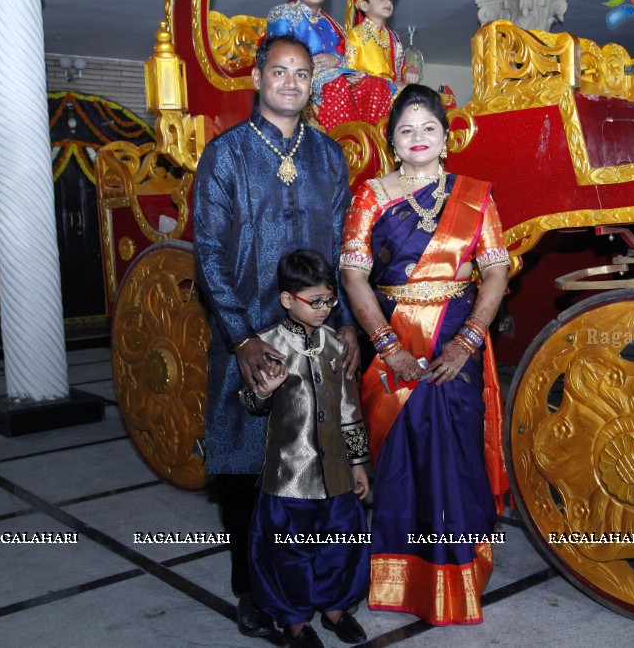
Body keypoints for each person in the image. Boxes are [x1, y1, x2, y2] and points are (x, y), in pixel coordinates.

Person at [193, 33, 359, 639]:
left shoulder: (328, 157)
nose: (291, 81)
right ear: (258, 78)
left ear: (312, 82)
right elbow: (208, 254)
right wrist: (241, 339)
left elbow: (343, 252)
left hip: (317, 344)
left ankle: (321, 591)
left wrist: (344, 323)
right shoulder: (227, 155)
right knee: (245, 473)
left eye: (302, 73)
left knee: (317, 471)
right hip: (250, 342)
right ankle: (250, 592)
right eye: (280, 71)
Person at [340, 84, 510, 625]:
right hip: (394, 338)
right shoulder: (370, 195)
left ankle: (458, 576)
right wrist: (388, 349)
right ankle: (401, 578)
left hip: (456, 338)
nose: (418, 138)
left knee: (454, 450)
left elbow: (497, 270)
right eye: (406, 129)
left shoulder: (476, 195)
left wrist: (469, 340)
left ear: (445, 138)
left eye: (428, 128)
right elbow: (352, 273)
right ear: (392, 140)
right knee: (402, 454)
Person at [243, 249, 371, 648]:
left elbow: (349, 406)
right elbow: (250, 402)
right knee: (289, 551)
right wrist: (262, 395)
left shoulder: (336, 344)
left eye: (330, 301)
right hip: (289, 475)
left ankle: (334, 607)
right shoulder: (265, 345)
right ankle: (296, 620)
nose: (324, 309)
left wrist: (359, 463)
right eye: (314, 301)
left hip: (336, 473)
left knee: (340, 543)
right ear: (287, 299)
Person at [267, 0, 390, 131]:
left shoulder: (332, 24)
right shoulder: (283, 13)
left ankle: (370, 140)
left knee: (376, 86)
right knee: (335, 82)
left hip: (338, 77)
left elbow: (347, 56)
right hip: (303, 78)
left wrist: (337, 59)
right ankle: (347, 140)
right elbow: (276, 53)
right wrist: (311, 63)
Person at [343, 0, 419, 111]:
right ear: (364, 5)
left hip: (391, 94)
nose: (388, 2)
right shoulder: (355, 34)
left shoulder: (393, 38)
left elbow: (401, 67)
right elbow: (349, 75)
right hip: (367, 96)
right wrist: (385, 84)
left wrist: (409, 69)